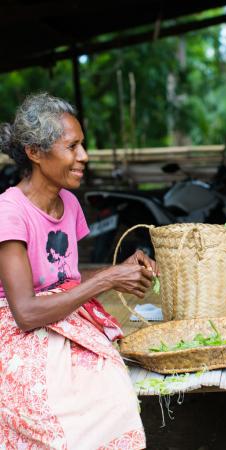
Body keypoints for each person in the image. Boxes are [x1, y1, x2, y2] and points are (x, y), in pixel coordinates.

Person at [0, 93, 157, 448]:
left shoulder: (68, 203)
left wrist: (119, 270)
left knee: (112, 391)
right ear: (34, 153)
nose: (84, 156)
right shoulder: (9, 212)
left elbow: (63, 283)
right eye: (72, 146)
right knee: (60, 413)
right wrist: (108, 278)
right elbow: (24, 312)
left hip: (58, 321)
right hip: (16, 331)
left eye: (82, 145)